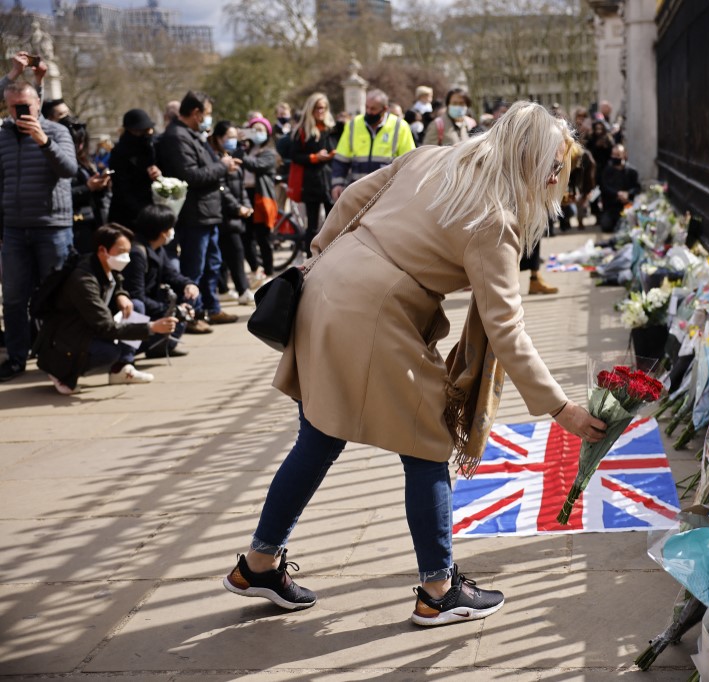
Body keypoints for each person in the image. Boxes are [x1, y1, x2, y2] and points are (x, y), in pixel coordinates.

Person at [222, 101, 607, 625]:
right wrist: (560, 407)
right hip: (375, 312)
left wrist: (319, 251)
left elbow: (353, 198)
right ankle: (439, 589)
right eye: (556, 168)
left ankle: (258, 563)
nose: (557, 179)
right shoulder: (494, 219)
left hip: (328, 285)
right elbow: (506, 327)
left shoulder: (433, 157)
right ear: (538, 163)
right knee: (427, 443)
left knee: (317, 437)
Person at [34, 223, 178, 394]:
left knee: (136, 306)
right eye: (121, 252)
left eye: (128, 251)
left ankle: (121, 369)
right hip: (66, 340)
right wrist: (152, 327)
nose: (126, 257)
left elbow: (116, 283)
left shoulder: (104, 265)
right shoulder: (83, 280)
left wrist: (120, 294)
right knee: (109, 352)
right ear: (102, 250)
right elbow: (106, 327)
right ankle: (61, 373)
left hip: (87, 327)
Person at [0, 79, 77, 382]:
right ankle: (18, 357)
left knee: (55, 295)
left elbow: (69, 170)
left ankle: (56, 354)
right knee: (14, 298)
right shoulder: (3, 136)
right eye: (13, 106)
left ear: (37, 104)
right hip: (15, 229)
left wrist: (43, 141)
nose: (20, 112)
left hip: (52, 227)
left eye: (25, 106)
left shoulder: (57, 131)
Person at [156, 90, 240, 326]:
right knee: (194, 268)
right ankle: (191, 314)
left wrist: (223, 166)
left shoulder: (192, 135)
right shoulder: (177, 137)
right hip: (195, 215)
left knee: (212, 264)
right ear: (195, 113)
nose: (208, 119)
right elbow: (190, 175)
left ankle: (211, 308)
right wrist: (222, 167)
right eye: (207, 114)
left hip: (208, 212)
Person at [122, 204, 198, 358]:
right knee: (138, 304)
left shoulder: (157, 248)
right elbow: (136, 294)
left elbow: (171, 274)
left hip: (154, 303)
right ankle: (128, 356)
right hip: (141, 310)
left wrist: (188, 284)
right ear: (162, 232)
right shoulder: (137, 253)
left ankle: (164, 345)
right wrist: (170, 309)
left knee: (189, 295)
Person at [330, 89, 415, 200]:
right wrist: (337, 184)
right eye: (367, 107)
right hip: (358, 190)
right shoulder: (353, 125)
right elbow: (341, 158)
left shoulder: (400, 127)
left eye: (373, 109)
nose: (369, 112)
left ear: (384, 109)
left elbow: (410, 161)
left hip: (387, 193)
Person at [209, 121, 254, 305]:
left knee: (229, 253)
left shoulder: (230, 156)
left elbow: (240, 186)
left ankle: (225, 289)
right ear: (219, 138)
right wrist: (237, 207)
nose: (233, 141)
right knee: (235, 252)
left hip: (236, 213)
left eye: (235, 136)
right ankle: (243, 290)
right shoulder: (215, 160)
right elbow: (222, 189)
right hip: (224, 214)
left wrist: (246, 204)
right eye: (229, 137)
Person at [290, 92, 339, 257]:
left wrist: (333, 154)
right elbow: (295, 156)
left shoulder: (332, 129)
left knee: (333, 221)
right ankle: (310, 258)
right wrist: (314, 157)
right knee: (312, 224)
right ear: (311, 109)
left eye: (324, 108)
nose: (321, 111)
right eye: (318, 108)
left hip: (330, 179)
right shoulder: (302, 131)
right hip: (311, 181)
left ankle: (332, 254)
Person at [108, 109, 161, 231]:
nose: (144, 135)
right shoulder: (120, 152)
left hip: (151, 209)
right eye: (139, 131)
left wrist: (158, 174)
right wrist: (143, 211)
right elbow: (121, 188)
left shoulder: (152, 147)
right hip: (128, 215)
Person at [241, 116, 279, 281]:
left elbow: (256, 166)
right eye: (254, 130)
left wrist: (240, 155)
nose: (257, 133)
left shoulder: (269, 154)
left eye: (261, 130)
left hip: (261, 197)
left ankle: (269, 272)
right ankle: (255, 269)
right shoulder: (245, 151)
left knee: (264, 238)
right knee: (246, 236)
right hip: (245, 196)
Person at [68, 118, 111, 253]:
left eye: (82, 142)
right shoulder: (63, 164)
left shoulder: (85, 161)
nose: (80, 146)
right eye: (76, 143)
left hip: (93, 220)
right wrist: (88, 188)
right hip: (77, 223)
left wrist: (102, 184)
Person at [598, 144, 641, 233]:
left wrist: (627, 194)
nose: (615, 157)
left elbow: (637, 187)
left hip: (628, 206)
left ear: (624, 155)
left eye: (618, 155)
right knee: (607, 225)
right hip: (611, 207)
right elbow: (604, 187)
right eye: (613, 154)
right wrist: (617, 194)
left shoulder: (632, 171)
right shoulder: (607, 171)